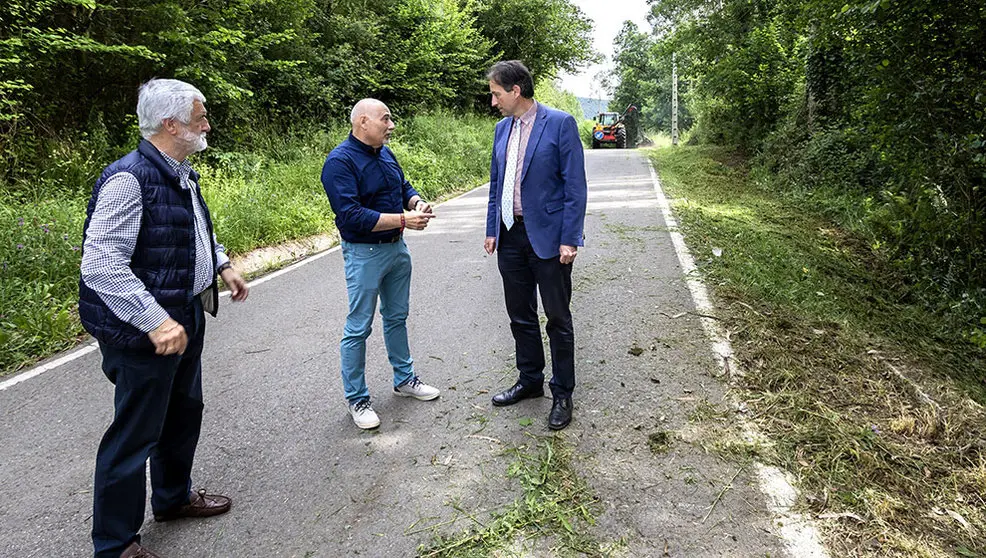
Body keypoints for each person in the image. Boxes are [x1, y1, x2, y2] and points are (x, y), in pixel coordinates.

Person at [79, 78, 249, 558]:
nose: (206, 125)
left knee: (182, 413)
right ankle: (115, 544)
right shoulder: (129, 179)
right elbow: (101, 263)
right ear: (171, 124)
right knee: (135, 433)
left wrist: (221, 265)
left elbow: (194, 230)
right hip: (145, 330)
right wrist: (153, 319)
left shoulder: (180, 171)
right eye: (200, 118)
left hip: (185, 315)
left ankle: (173, 499)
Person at [321, 98, 441, 430]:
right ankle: (357, 399)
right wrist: (404, 219)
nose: (391, 126)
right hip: (364, 254)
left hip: (396, 250)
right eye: (385, 120)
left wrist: (417, 201)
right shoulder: (339, 162)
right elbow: (352, 216)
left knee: (397, 317)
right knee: (359, 327)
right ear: (362, 122)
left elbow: (402, 186)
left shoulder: (386, 153)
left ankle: (405, 380)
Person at [484, 60, 588, 430]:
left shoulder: (559, 124)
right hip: (510, 235)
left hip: (549, 238)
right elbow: (497, 184)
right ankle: (530, 380)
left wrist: (570, 238)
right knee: (520, 315)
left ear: (516, 91)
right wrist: (492, 227)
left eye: (496, 94)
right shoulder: (501, 129)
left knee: (558, 318)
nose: (493, 101)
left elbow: (575, 186)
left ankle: (562, 391)